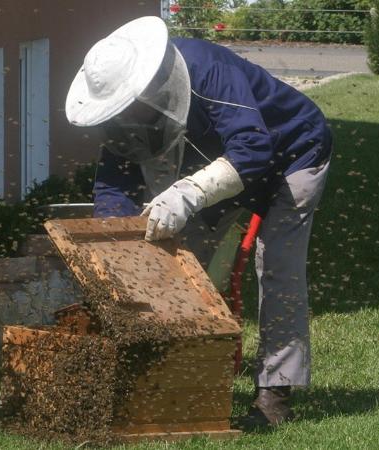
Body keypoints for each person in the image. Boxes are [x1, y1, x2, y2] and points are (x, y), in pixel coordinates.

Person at [65, 16, 331, 427]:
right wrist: (115, 257)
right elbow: (113, 190)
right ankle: (180, 383)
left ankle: (275, 396)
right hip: (217, 166)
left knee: (279, 268)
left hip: (292, 152)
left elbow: (253, 149)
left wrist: (187, 193)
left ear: (148, 84)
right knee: (180, 266)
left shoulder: (207, 69)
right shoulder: (124, 114)